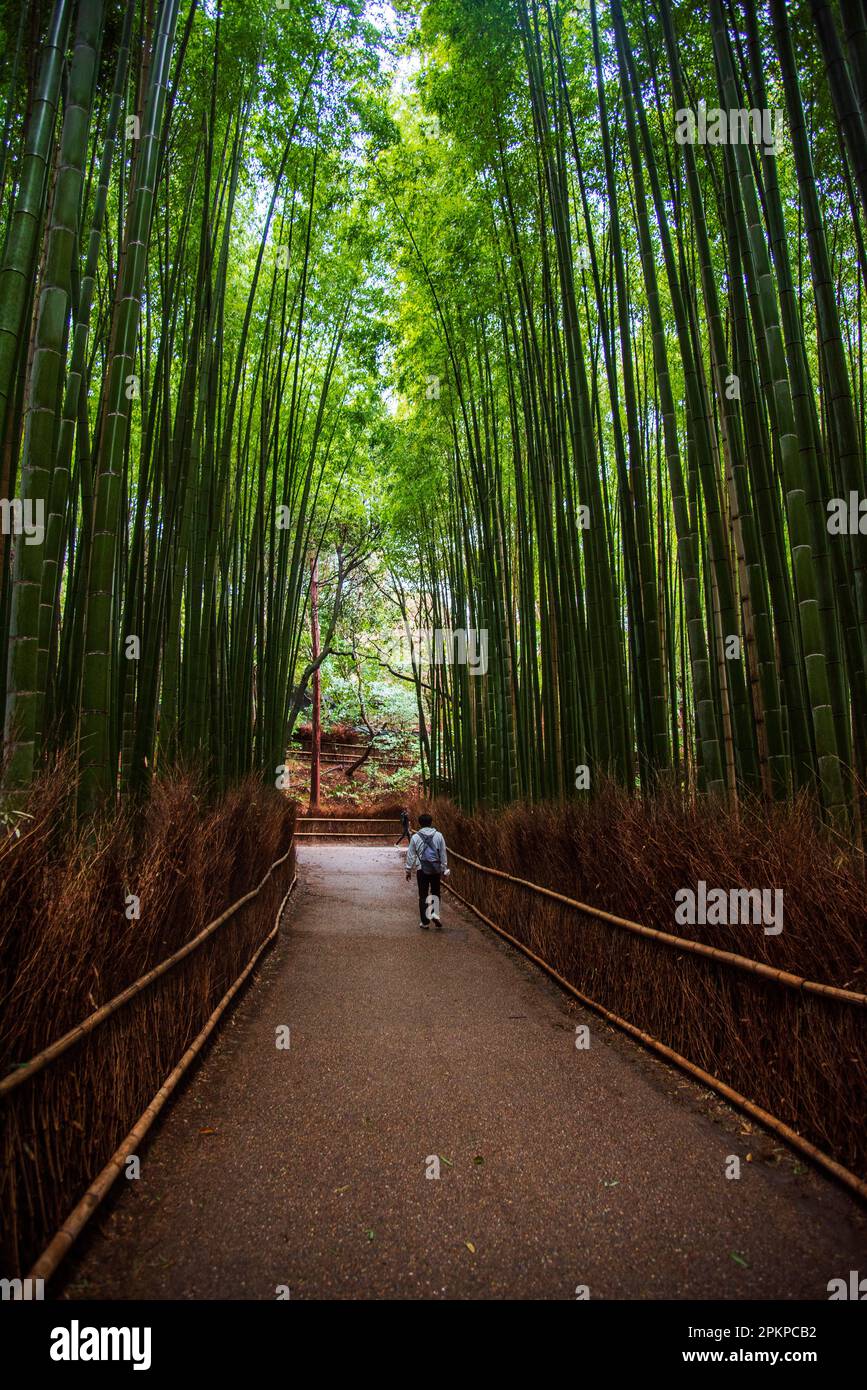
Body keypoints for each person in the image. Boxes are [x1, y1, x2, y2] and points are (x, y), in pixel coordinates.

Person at [405, 812, 448, 930]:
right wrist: (444, 869)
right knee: (435, 892)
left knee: (423, 895)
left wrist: (408, 870)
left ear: (420, 823)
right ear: (431, 822)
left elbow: (411, 855)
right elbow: (443, 853)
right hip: (435, 869)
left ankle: (425, 922)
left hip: (421, 869)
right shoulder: (439, 835)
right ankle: (434, 914)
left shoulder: (415, 837)